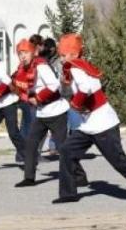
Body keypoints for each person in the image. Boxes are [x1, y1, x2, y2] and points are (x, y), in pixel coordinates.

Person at [53, 33, 126, 204]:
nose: (61, 59)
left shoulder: (76, 67)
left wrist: (75, 104)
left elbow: (85, 88)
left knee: (120, 162)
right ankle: (68, 194)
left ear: (74, 54)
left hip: (103, 123)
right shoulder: (77, 68)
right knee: (67, 151)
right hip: (87, 125)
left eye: (63, 55)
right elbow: (72, 90)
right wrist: (64, 85)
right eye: (60, 55)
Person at [12, 38, 87, 188]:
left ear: (33, 52)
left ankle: (80, 176)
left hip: (56, 111)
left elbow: (54, 84)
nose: (23, 56)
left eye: (25, 52)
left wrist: (38, 98)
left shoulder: (41, 66)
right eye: (20, 53)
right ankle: (29, 178)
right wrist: (24, 96)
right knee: (31, 144)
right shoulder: (22, 69)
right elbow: (19, 87)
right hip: (41, 113)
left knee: (62, 147)